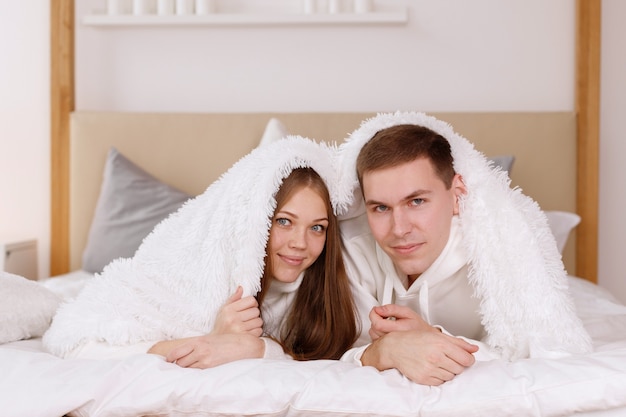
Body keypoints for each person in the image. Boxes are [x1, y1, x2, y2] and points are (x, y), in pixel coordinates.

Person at [43, 137, 358, 366]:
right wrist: (210, 340)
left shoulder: (323, 292)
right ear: (252, 220)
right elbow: (71, 341)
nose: (301, 243)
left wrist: (255, 348)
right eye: (284, 222)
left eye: (317, 227)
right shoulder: (175, 274)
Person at [336, 112, 592, 386]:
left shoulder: (499, 255)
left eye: (417, 201)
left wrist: (434, 338)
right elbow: (332, 355)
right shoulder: (352, 249)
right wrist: (386, 350)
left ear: (457, 195)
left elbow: (547, 357)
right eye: (381, 208)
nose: (399, 229)